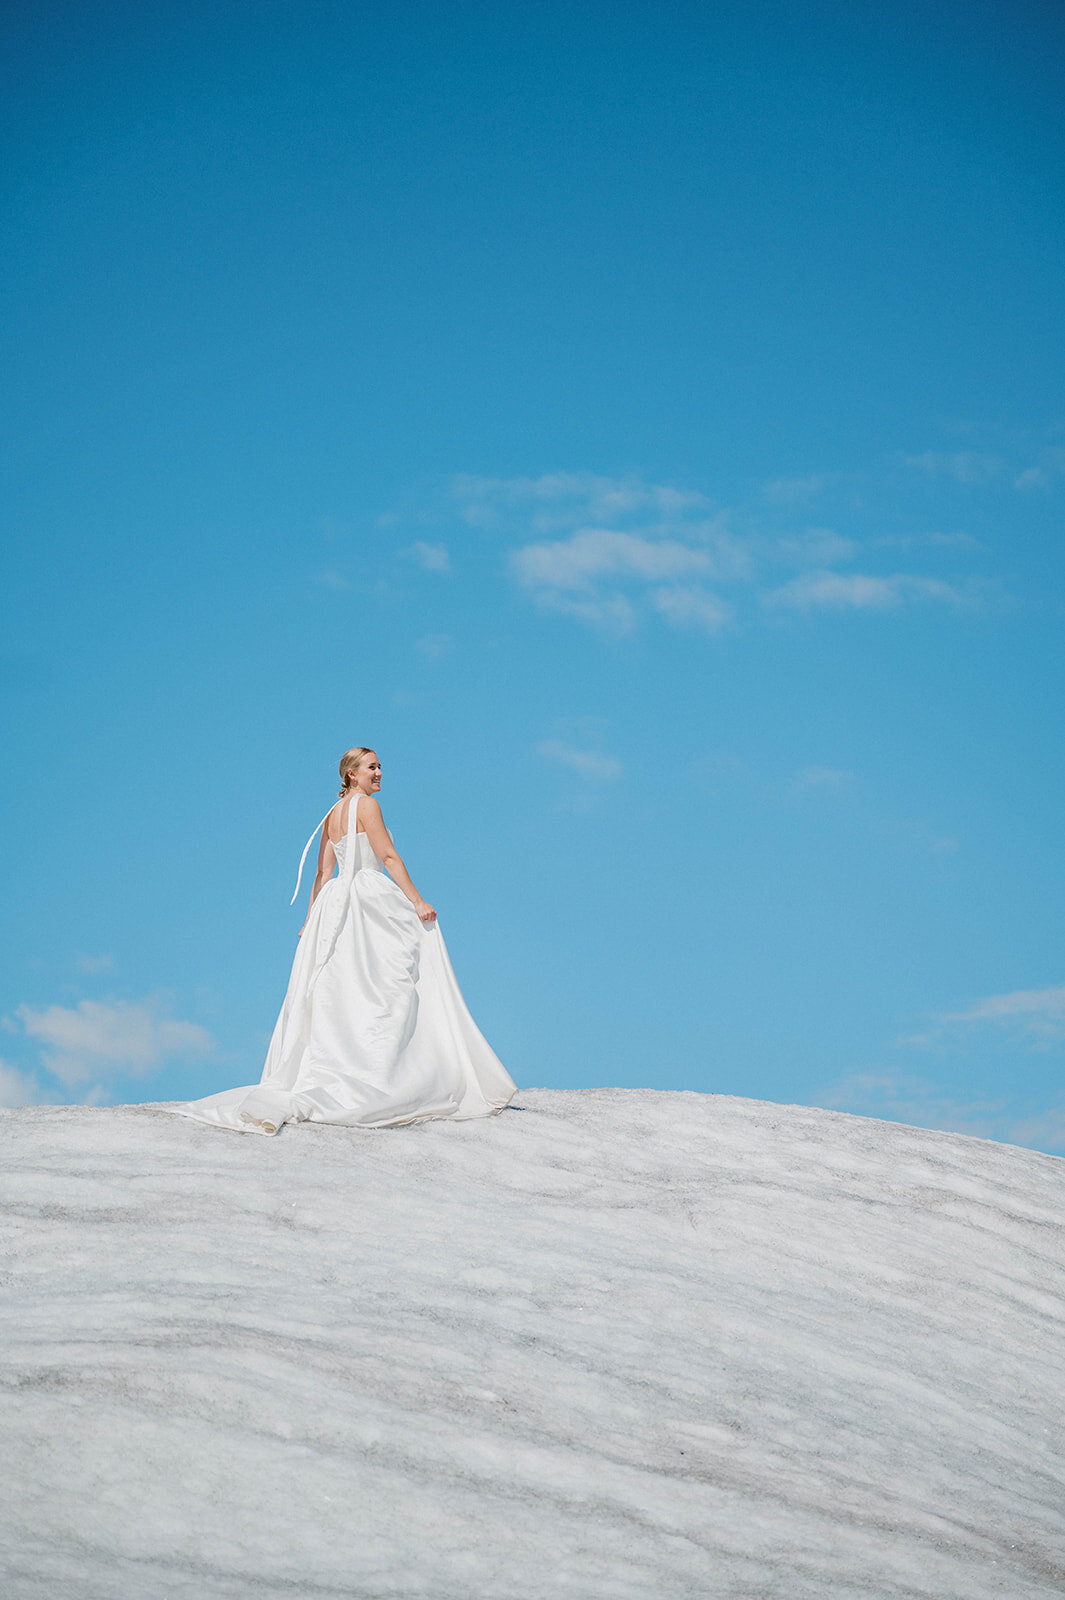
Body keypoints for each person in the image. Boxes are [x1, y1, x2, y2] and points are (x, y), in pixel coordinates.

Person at [167, 747, 517, 1135]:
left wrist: (310, 919)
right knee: (387, 983)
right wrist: (418, 900)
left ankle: (343, 1068)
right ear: (351, 774)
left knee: (342, 987)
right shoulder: (366, 806)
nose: (380, 772)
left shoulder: (331, 815)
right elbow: (387, 855)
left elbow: (323, 872)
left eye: (380, 766)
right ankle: (385, 1072)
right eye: (372, 767)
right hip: (366, 896)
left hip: (335, 903)